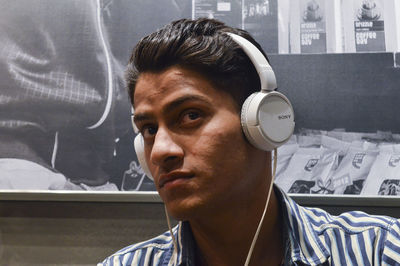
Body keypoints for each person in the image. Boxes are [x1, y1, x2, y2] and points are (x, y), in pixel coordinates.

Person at [99, 18, 400, 266]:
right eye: (149, 129)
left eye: (190, 115)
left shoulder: (380, 251)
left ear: (263, 122)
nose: (161, 150)